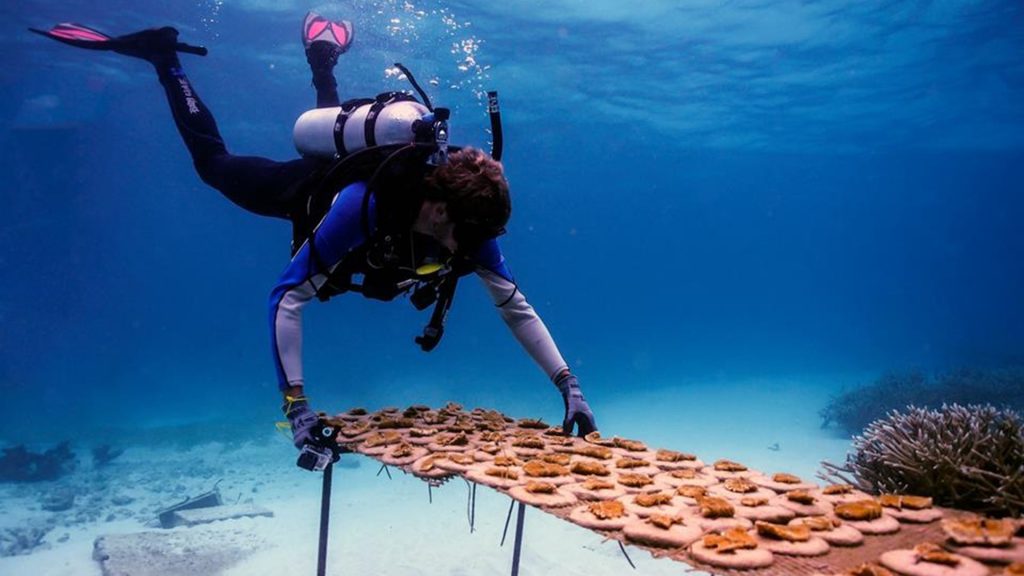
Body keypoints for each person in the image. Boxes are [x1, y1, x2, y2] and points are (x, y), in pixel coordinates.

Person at [31, 14, 598, 450]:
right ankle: (165, 60)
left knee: (328, 134)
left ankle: (322, 60)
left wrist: (568, 385)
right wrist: (297, 406)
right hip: (309, 192)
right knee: (214, 166)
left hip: (364, 203)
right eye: (466, 239)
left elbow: (515, 306)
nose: (471, 253)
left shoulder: (470, 222)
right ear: (441, 212)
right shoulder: (362, 206)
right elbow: (287, 296)